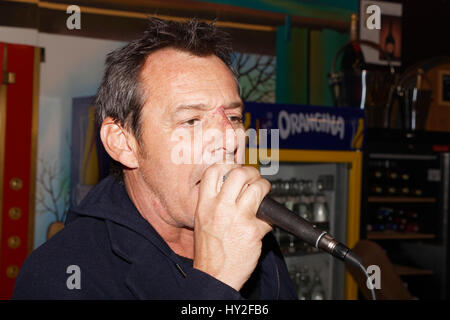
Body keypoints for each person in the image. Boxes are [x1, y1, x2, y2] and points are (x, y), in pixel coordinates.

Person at [12, 18, 297, 300]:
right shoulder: (58, 275)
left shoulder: (254, 240)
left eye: (233, 118)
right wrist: (215, 283)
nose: (229, 139)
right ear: (123, 143)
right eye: (191, 120)